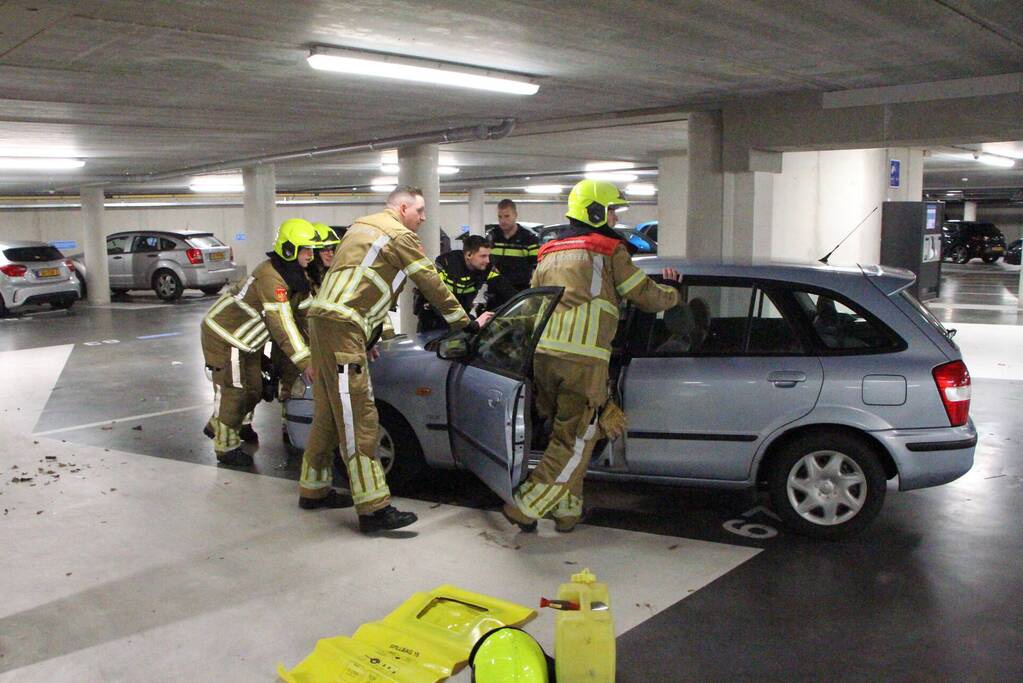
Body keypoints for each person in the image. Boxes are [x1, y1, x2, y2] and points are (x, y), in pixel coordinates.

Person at [299, 186, 494, 533]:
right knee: (360, 417)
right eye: (420, 211)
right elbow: (430, 280)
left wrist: (369, 335)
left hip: (325, 322)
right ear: (402, 208)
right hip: (344, 328)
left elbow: (361, 287)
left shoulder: (361, 227)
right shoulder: (399, 235)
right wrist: (465, 324)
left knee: (329, 411)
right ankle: (374, 509)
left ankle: (313, 489)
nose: (423, 218)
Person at [501, 179, 683, 533]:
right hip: (582, 360)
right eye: (612, 211)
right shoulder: (607, 250)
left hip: (545, 357)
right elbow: (644, 295)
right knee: (577, 439)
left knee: (562, 434)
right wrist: (673, 292)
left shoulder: (548, 251)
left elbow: (534, 301)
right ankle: (527, 505)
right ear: (595, 211)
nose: (615, 218)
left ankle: (567, 510)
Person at [200, 218, 318, 467]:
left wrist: (322, 343)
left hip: (248, 341)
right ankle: (225, 447)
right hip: (225, 336)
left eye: (311, 249)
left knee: (254, 389)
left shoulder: (297, 276)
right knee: (235, 390)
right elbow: (282, 324)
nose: (311, 255)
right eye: (305, 249)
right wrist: (306, 360)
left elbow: (305, 315)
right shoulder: (271, 278)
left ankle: (221, 424)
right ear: (289, 249)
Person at [415, 234, 517, 333]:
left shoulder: (486, 268)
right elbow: (440, 302)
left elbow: (504, 287)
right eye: (483, 256)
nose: (487, 260)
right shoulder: (447, 265)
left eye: (488, 256)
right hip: (434, 322)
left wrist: (522, 302)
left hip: (462, 320)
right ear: (469, 255)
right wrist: (471, 323)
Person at [486, 199, 539, 291]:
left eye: (507, 216)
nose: (503, 220)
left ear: (515, 215)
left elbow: (537, 267)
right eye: (500, 217)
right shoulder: (492, 236)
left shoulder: (529, 239)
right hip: (495, 290)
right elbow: (486, 262)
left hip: (519, 290)